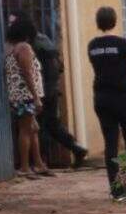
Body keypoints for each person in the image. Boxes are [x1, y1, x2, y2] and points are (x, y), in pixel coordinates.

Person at [88, 5, 126, 196]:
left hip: (102, 98)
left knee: (110, 144)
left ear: (97, 22)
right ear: (115, 20)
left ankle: (117, 191)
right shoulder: (123, 44)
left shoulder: (92, 46)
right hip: (123, 98)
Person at [26, 15, 87, 169]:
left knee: (39, 126)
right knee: (53, 124)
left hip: (42, 91)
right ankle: (76, 148)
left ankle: (40, 161)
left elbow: (33, 69)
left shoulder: (33, 45)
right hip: (53, 89)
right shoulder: (46, 40)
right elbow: (60, 66)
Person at [4, 15, 53, 178]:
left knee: (33, 129)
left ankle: (38, 164)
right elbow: (27, 73)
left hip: (20, 95)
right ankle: (25, 167)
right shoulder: (24, 47)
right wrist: (36, 97)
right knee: (26, 129)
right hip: (25, 95)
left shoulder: (13, 48)